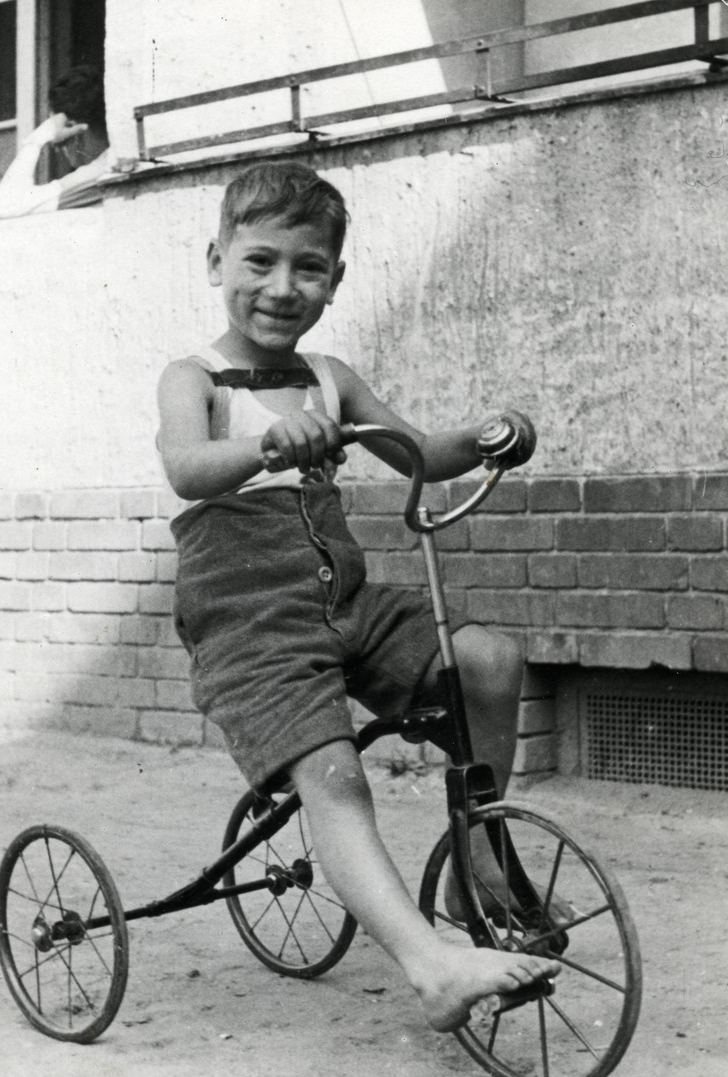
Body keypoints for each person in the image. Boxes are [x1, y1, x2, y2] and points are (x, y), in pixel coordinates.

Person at [156, 161, 560, 1032]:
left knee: (486, 657)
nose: (280, 288)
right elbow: (186, 470)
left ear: (334, 281)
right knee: (334, 776)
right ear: (215, 261)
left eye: (307, 268)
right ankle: (431, 966)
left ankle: (478, 853)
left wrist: (488, 437)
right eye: (258, 262)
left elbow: (418, 451)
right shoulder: (193, 378)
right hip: (249, 625)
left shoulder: (331, 376)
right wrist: (267, 448)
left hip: (345, 605)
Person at [0, 65, 109, 220]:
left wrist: (38, 138)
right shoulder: (107, 163)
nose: (58, 149)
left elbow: (1, 204)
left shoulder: (103, 169)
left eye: (61, 143)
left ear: (73, 129)